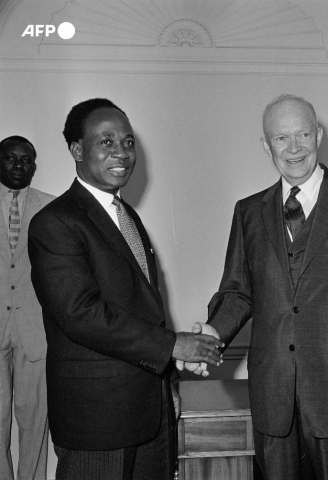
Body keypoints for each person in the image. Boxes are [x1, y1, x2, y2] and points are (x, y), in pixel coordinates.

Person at [187, 94, 328, 479]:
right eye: (281, 138)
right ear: (265, 144)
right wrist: (212, 334)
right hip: (273, 394)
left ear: (319, 135)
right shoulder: (248, 211)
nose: (294, 148)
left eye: (303, 134)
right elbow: (237, 290)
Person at [28, 98, 223, 480]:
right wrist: (173, 346)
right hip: (97, 422)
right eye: (106, 142)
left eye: (128, 142)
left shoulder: (125, 215)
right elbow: (81, 314)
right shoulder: (55, 223)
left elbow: (146, 309)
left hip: (149, 413)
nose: (122, 152)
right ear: (76, 150)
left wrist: (169, 383)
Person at [0, 136, 54, 480]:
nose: (19, 165)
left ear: (34, 165)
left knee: (35, 421)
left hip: (36, 331)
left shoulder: (51, 209)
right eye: (10, 158)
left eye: (27, 159)